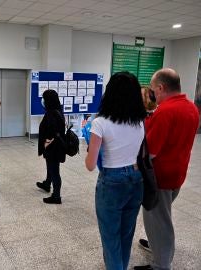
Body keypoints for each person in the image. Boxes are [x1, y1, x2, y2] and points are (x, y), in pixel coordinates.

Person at [134, 68, 199, 270]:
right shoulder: (192, 108)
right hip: (178, 174)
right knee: (160, 218)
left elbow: (150, 152)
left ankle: (161, 264)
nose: (152, 94)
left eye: (153, 90)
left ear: (161, 87)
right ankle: (157, 246)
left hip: (159, 178)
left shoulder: (165, 111)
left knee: (160, 222)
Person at [85, 72, 147, 270]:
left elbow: (90, 164)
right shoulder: (139, 122)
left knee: (111, 238)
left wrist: (89, 141)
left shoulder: (99, 123)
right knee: (126, 234)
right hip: (137, 179)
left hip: (112, 181)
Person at [36, 89, 66, 204]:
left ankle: (56, 196)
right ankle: (47, 184)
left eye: (44, 98)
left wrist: (46, 143)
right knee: (51, 167)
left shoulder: (52, 113)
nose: (43, 101)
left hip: (54, 148)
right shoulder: (56, 110)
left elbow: (53, 131)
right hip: (54, 147)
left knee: (54, 170)